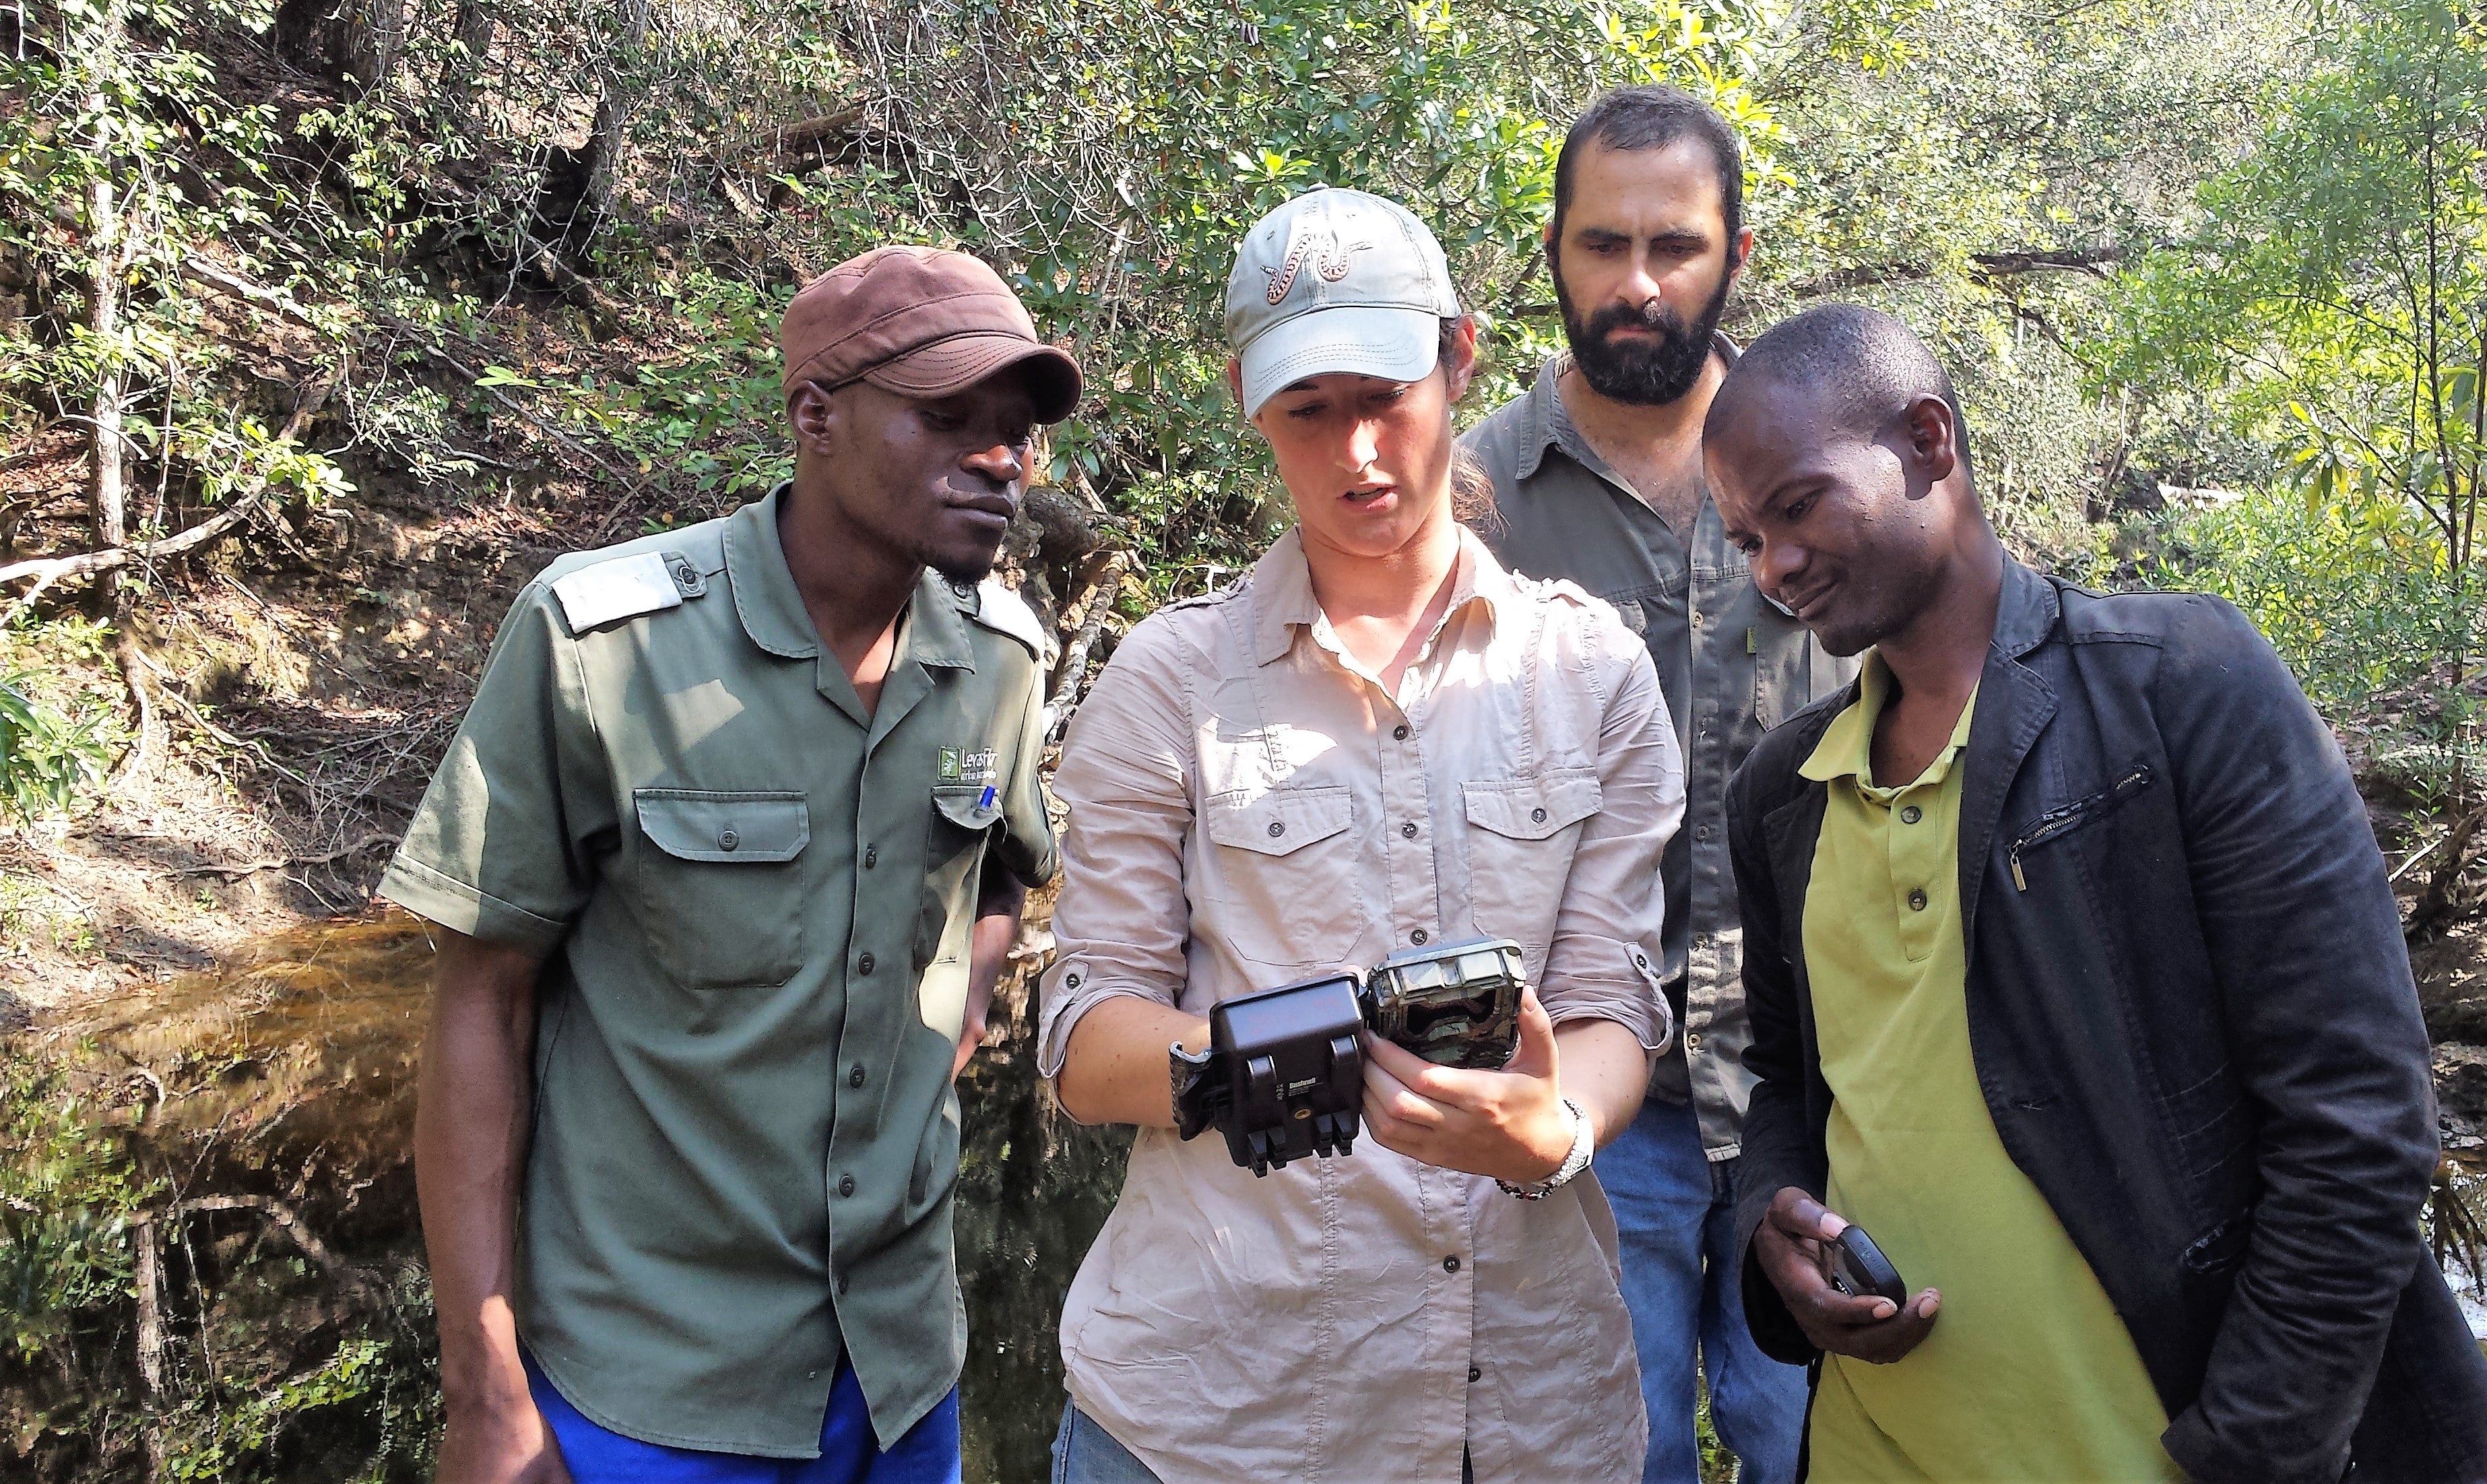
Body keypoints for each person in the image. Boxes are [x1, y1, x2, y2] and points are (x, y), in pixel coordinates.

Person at [1704, 304, 2487, 1483]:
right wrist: (1772, 1222)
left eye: (1797, 505)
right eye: (1743, 538)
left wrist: (2251, 1447)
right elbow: (1790, 1077)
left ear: (1930, 441)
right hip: (1872, 1447)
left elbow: (2360, 1118)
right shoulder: (1783, 794)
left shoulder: (2181, 687)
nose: (1773, 566)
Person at [389, 245, 1076, 1484]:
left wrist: (957, 1017)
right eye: (948, 417)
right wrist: (483, 1389)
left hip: (903, 1373)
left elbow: (1005, 873)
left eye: (1017, 429)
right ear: (815, 415)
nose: (1000, 459)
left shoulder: (1002, 662)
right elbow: (480, 1000)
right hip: (648, 1392)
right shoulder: (601, 645)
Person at [1038, 185, 1684, 1483]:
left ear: (1459, 357)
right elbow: (1082, 1036)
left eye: (1384, 394)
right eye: (1307, 411)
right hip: (1214, 1417)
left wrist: (1553, 1130)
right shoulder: (1172, 683)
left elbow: (1617, 1000)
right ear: (1249, 406)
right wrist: (1281, 1057)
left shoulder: (1591, 669)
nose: (1358, 454)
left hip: (1525, 1419)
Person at [1458, 85, 1847, 1484]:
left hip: (1824, 1098)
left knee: (1817, 1447)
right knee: (1607, 1463)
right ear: (1553, 252)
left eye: (1673, 247)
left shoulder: (1827, 474)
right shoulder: (1472, 502)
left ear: (1734, 256)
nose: (1636, 285)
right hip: (1583, 1104)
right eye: (1602, 245)